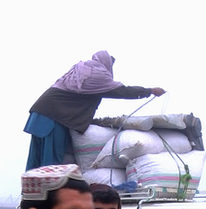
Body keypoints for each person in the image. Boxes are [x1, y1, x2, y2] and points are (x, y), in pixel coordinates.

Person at [24, 51, 165, 169]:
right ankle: (47, 198)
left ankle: (30, 195)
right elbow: (121, 91)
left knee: (36, 161)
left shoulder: (81, 71)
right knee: (51, 163)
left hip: (41, 114)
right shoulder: (96, 75)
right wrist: (150, 91)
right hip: (53, 118)